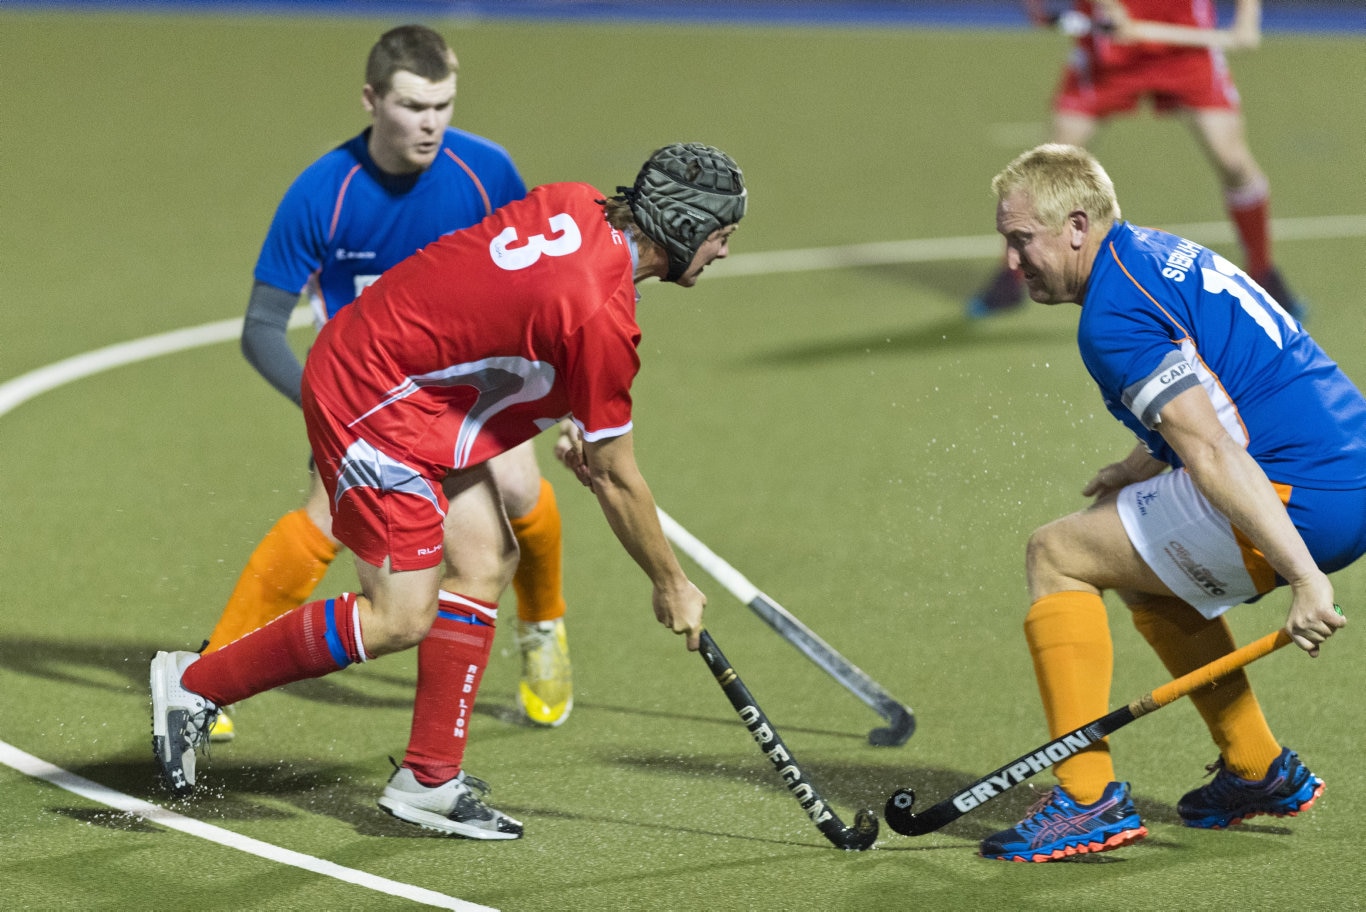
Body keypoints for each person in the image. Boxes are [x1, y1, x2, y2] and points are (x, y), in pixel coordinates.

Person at [151, 142, 747, 840]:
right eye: (720, 236)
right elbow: (617, 472)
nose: (724, 253)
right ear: (680, 230)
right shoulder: (601, 314)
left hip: (421, 389)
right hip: (374, 397)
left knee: (486, 561)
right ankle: (194, 687)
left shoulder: (572, 201)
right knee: (400, 614)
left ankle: (429, 780)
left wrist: (568, 413)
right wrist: (670, 582)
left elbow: (501, 310)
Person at [976, 143, 1366, 862]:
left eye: (1020, 239)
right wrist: (1135, 465)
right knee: (1143, 570)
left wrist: (1307, 577)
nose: (1011, 261)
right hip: (1346, 464)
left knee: (1057, 553)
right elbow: (1217, 385)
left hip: (1297, 490)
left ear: (1076, 226)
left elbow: (1214, 450)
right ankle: (1256, 769)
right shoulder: (1152, 253)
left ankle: (1086, 801)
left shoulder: (1112, 318)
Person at [203, 24, 577, 738]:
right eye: (412, 106)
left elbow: (539, 284)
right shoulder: (323, 194)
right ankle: (216, 670)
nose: (430, 124)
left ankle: (544, 630)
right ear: (372, 99)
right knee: (322, 515)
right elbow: (261, 329)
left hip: (468, 387)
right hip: (362, 392)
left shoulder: (487, 173)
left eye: (443, 105)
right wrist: (331, 410)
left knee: (522, 490)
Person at [968, 0, 1305, 320]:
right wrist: (1111, 7)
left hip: (1185, 43)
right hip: (1111, 47)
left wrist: (1248, 17)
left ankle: (1262, 272)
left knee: (1232, 161)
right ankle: (1012, 275)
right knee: (1049, 166)